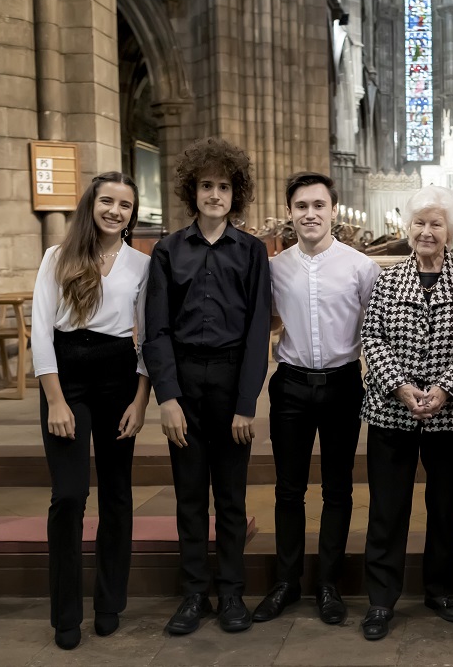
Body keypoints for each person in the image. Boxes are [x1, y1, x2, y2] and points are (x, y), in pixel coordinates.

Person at [143, 138, 271, 636]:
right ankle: (195, 594)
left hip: (231, 378)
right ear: (191, 191)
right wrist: (168, 398)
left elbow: (259, 328)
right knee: (190, 496)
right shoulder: (168, 251)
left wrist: (246, 405)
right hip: (184, 381)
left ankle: (232, 593)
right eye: (206, 186)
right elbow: (156, 330)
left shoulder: (252, 251)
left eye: (223, 186)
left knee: (232, 498)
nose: (214, 195)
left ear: (235, 193)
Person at [252, 172, 381, 626]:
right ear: (290, 212)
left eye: (318, 206)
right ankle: (286, 582)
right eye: (301, 206)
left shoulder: (361, 267)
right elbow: (264, 322)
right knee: (288, 489)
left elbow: (374, 328)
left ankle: (328, 583)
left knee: (338, 488)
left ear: (332, 211)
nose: (310, 214)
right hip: (290, 385)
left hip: (343, 384)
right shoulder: (274, 266)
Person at [32, 172, 151, 650]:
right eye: (107, 201)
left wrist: (141, 400)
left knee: (117, 495)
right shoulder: (56, 258)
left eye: (125, 205)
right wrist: (56, 400)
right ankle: (65, 613)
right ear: (91, 204)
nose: (115, 211)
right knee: (69, 495)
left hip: (119, 377)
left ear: (132, 214)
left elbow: (148, 336)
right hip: (67, 378)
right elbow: (41, 330)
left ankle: (108, 603)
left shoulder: (143, 265)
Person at [358, 186, 453, 640]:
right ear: (408, 228)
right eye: (419, 223)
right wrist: (400, 386)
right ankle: (381, 599)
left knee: (444, 506)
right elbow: (372, 338)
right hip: (393, 412)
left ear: (450, 231)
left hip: (450, 415)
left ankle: (439, 588)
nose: (427, 231)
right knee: (388, 509)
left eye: (436, 223)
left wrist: (446, 389)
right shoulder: (388, 279)